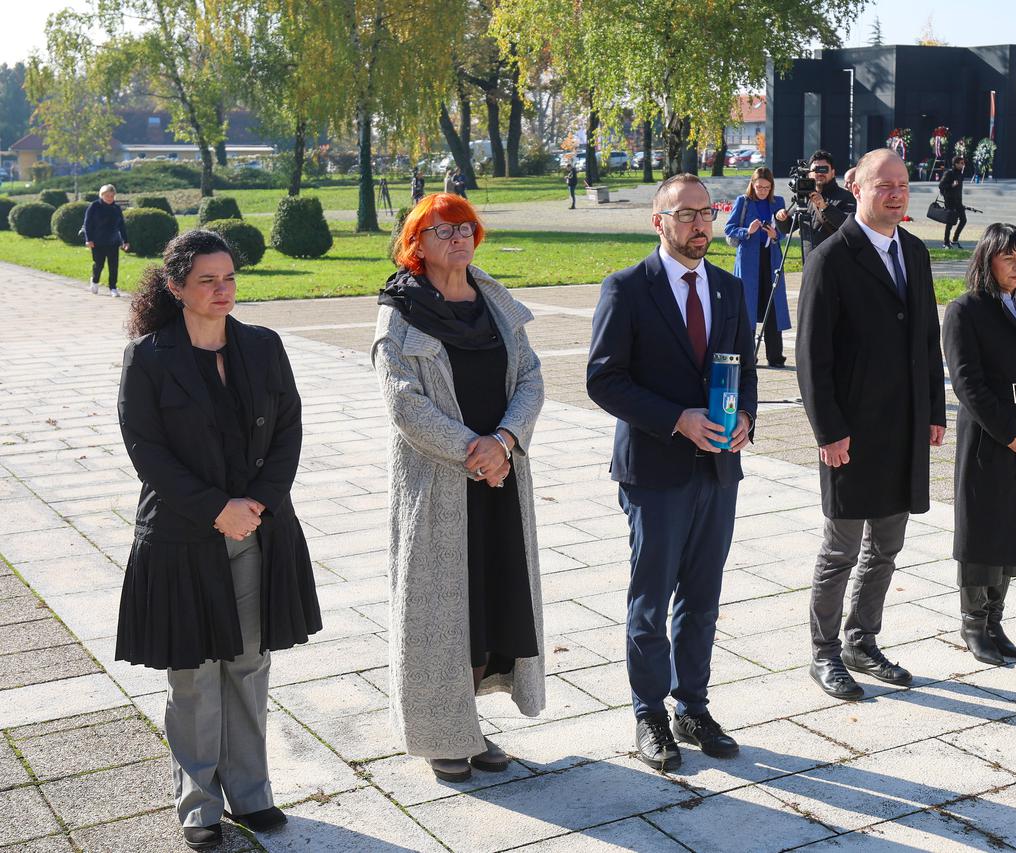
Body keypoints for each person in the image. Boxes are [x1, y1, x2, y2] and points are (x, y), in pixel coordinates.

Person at [116, 230, 322, 850]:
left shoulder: (263, 346)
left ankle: (251, 792)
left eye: (229, 277)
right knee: (194, 674)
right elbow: (145, 450)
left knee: (250, 663)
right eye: (207, 280)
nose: (221, 290)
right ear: (176, 288)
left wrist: (255, 504)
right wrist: (216, 510)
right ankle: (199, 805)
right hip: (182, 537)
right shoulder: (149, 356)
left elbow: (288, 428)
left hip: (259, 528)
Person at [372, 192, 546, 782]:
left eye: (466, 227)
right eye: (443, 230)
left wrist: (504, 442)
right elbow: (403, 404)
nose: (459, 238)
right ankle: (438, 734)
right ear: (415, 244)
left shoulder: (494, 302)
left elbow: (530, 377)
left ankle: (466, 726)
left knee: (488, 610)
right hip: (439, 485)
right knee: (437, 614)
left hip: (499, 479)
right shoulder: (400, 311)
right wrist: (471, 452)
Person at [586, 173, 758, 771]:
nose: (699, 224)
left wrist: (746, 422)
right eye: (684, 214)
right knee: (652, 598)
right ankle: (649, 712)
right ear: (658, 221)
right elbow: (603, 379)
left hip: (718, 470)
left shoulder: (731, 290)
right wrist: (676, 419)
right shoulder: (627, 288)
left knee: (703, 597)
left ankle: (692, 704)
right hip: (655, 470)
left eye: (707, 212)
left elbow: (745, 373)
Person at [796, 149, 945, 701]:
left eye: (903, 184)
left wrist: (933, 409)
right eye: (885, 185)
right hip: (851, 433)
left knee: (886, 545)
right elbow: (813, 356)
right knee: (841, 547)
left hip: (903, 429)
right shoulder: (832, 259)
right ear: (855, 187)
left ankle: (863, 640)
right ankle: (825, 651)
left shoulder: (914, 251)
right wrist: (827, 431)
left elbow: (927, 338)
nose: (896, 194)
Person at [942, 224, 1016, 664]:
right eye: (1008, 257)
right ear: (987, 260)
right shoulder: (965, 311)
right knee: (983, 529)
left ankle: (995, 618)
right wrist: (1010, 434)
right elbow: (967, 384)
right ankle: (973, 621)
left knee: (1015, 524)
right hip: (989, 439)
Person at [723, 167, 791, 367]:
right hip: (749, 261)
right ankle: (747, 356)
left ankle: (775, 356)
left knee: (773, 304)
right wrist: (747, 231)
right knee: (748, 306)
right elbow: (729, 229)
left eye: (766, 187)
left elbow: (784, 231)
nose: (762, 191)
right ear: (752, 184)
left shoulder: (778, 202)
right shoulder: (743, 202)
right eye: (759, 186)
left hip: (771, 258)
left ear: (771, 187)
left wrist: (776, 235)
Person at [775, 149, 855, 256]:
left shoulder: (846, 197)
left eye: (824, 169)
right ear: (809, 174)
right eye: (815, 170)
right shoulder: (806, 198)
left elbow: (850, 226)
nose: (819, 173)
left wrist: (825, 207)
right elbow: (787, 228)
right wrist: (781, 218)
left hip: (836, 263)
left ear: (833, 173)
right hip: (810, 263)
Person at [83, 183, 129, 296]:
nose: (110, 198)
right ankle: (94, 281)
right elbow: (87, 224)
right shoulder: (94, 206)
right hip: (97, 242)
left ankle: (113, 287)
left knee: (114, 266)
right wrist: (89, 239)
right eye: (107, 195)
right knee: (99, 264)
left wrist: (125, 241)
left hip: (113, 242)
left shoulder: (116, 208)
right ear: (102, 195)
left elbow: (121, 226)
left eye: (112, 196)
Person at [939, 156, 968, 248]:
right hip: (950, 201)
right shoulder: (949, 173)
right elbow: (941, 185)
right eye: (961, 163)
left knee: (963, 220)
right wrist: (951, 185)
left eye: (963, 163)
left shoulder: (960, 174)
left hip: (958, 201)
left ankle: (955, 240)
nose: (963, 165)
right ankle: (946, 242)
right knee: (950, 222)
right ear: (956, 164)